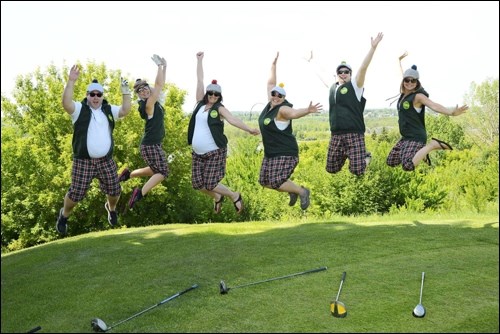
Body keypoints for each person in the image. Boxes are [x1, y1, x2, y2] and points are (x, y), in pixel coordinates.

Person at [56, 65, 132, 235]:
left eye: (99, 94)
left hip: (106, 160)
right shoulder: (79, 110)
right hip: (83, 161)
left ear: (102, 96)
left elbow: (125, 110)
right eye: (92, 94)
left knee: (115, 190)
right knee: (76, 194)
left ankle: (111, 209)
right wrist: (71, 81)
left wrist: (126, 92)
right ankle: (64, 215)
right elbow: (65, 103)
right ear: (87, 96)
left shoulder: (108, 110)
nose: (96, 97)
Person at [187, 51, 260, 214]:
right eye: (210, 93)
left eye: (216, 94)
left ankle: (234, 196)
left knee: (211, 183)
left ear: (219, 96)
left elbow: (233, 120)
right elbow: (199, 80)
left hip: (214, 152)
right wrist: (199, 61)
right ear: (207, 94)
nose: (213, 96)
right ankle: (217, 197)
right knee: (198, 185)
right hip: (197, 153)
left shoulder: (219, 109)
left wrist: (249, 129)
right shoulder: (199, 103)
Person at [258, 52, 323, 210]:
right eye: (274, 94)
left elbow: (294, 113)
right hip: (271, 154)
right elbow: (270, 83)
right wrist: (273, 65)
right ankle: (292, 190)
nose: (275, 96)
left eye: (279, 95)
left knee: (275, 181)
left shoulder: (283, 109)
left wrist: (307, 110)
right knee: (264, 181)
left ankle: (301, 191)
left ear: (283, 98)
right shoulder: (269, 106)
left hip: (285, 152)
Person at [386, 53, 468, 171]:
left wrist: (451, 113)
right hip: (405, 137)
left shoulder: (418, 97)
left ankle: (432, 145)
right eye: (407, 80)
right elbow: (403, 74)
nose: (409, 83)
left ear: (417, 83)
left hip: (416, 136)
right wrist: (399, 62)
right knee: (391, 161)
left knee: (408, 166)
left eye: (413, 81)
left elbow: (433, 105)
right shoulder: (404, 94)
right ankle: (421, 153)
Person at [325, 32, 384, 176]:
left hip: (354, 133)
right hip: (336, 134)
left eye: (346, 71)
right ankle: (348, 154)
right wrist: (311, 61)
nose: (343, 74)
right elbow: (321, 73)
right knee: (331, 169)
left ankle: (364, 157)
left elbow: (363, 68)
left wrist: (373, 48)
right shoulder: (333, 88)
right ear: (337, 74)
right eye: (340, 72)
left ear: (350, 74)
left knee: (357, 170)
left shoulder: (355, 86)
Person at [118, 54, 169, 210]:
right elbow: (159, 85)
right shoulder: (148, 105)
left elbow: (160, 85)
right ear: (139, 95)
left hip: (152, 144)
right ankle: (139, 193)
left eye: (145, 87)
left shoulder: (155, 101)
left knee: (155, 170)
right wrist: (159, 66)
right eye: (140, 90)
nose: (144, 90)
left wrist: (164, 67)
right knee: (163, 172)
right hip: (150, 145)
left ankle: (128, 174)